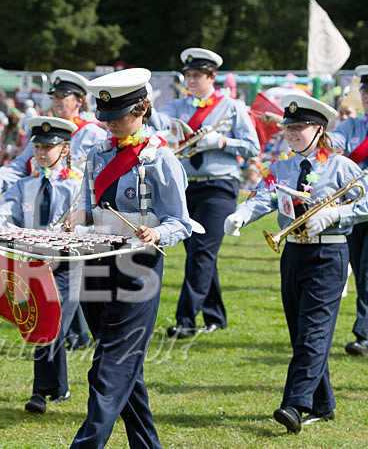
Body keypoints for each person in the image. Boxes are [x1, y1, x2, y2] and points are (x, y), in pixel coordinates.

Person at [224, 93, 368, 433]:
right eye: (288, 127)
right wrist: (241, 215)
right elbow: (264, 197)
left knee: (313, 334)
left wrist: (336, 213)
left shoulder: (341, 165)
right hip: (293, 253)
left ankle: (295, 404)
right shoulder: (282, 167)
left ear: (319, 130)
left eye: (299, 127)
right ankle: (323, 403)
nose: (291, 133)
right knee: (300, 332)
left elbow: (365, 203)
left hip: (328, 254)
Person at [68, 67, 191, 448]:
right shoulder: (96, 153)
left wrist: (158, 231)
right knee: (121, 367)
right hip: (96, 262)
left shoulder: (159, 159)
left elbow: (181, 222)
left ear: (141, 111)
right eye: (107, 119)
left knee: (109, 371)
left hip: (139, 269)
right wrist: (80, 217)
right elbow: (90, 206)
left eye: (119, 118)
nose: (112, 126)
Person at [0, 116, 83, 414]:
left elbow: (89, 223)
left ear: (64, 149)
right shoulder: (24, 186)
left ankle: (40, 392)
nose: (40, 153)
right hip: (35, 265)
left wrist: (71, 232)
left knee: (50, 320)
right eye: (37, 147)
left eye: (47, 147)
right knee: (49, 321)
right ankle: (59, 388)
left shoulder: (78, 187)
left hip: (68, 265)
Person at [150, 48, 259, 339]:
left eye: (197, 75)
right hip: (188, 186)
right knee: (200, 253)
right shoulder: (178, 106)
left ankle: (185, 320)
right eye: (188, 75)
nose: (191, 80)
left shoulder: (231, 107)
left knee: (200, 253)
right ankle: (216, 316)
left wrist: (221, 141)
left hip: (219, 186)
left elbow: (253, 147)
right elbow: (159, 124)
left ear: (212, 76)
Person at [0, 69, 107, 199]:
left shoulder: (94, 134)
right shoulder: (44, 131)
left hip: (75, 202)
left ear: (79, 101)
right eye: (54, 96)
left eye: (63, 95)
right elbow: (21, 164)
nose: (56, 100)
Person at [329, 64, 368, 356]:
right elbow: (333, 143)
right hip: (354, 208)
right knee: (358, 268)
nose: (366, 96)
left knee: (366, 271)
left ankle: (363, 334)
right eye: (364, 90)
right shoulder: (352, 125)